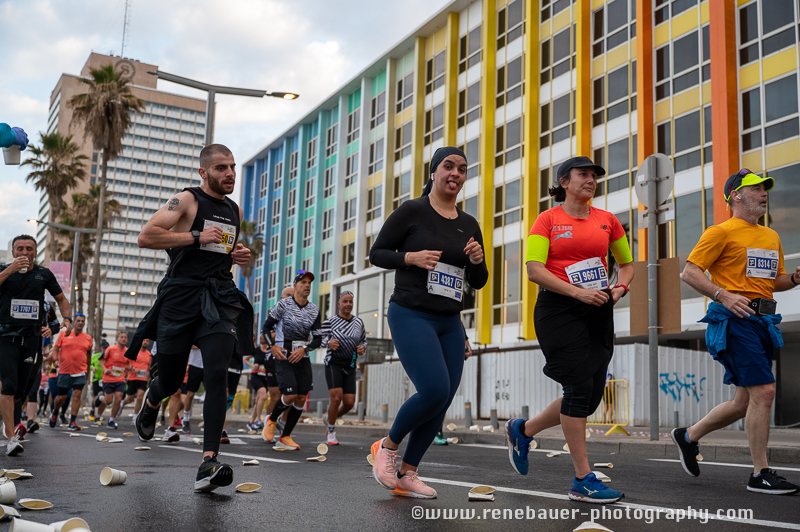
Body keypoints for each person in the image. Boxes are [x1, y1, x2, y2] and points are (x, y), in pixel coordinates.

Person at [504, 156, 634, 504]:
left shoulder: (607, 221)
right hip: (559, 310)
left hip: (598, 309)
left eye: (594, 176)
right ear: (564, 181)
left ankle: (523, 430)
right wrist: (577, 292)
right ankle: (582, 480)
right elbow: (534, 270)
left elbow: (626, 264)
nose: (591, 180)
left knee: (590, 397)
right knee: (577, 389)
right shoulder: (547, 220)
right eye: (583, 174)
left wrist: (620, 289)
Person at [124, 143, 252, 492]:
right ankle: (152, 400)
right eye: (221, 168)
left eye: (232, 166)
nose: (229, 173)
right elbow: (146, 236)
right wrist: (196, 235)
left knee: (217, 374)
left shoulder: (236, 210)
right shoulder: (186, 200)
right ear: (203, 172)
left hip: (219, 298)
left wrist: (235, 252)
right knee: (170, 380)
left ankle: (208, 461)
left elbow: (218, 249)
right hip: (180, 298)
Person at [369, 146, 488, 499]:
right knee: (434, 389)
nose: (456, 173)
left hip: (450, 321)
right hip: (411, 313)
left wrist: (478, 261)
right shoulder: (413, 211)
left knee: (443, 398)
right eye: (448, 166)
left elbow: (478, 281)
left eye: (462, 169)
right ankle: (387, 448)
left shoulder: (469, 224)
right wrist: (410, 257)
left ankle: (408, 472)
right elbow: (377, 254)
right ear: (434, 172)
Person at [672, 168, 800, 495]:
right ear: (736, 196)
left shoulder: (771, 236)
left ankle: (688, 436)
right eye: (756, 189)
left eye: (764, 188)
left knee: (744, 402)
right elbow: (690, 272)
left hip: (763, 322)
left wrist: (794, 279)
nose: (764, 193)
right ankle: (760, 473)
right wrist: (723, 295)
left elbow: (773, 281)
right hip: (733, 321)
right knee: (765, 391)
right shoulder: (721, 232)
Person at [1, 234, 70, 455]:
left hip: (32, 339)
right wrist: (10, 270)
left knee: (20, 390)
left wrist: (66, 318)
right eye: (20, 249)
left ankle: (6, 419)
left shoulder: (43, 274)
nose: (24, 253)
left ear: (35, 252)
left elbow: (61, 299)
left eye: (29, 249)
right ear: (13, 252)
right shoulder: (3, 270)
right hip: (6, 337)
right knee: (9, 386)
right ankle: (11, 438)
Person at [260, 272, 322, 450]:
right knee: (289, 395)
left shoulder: (314, 310)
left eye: (309, 282)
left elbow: (318, 339)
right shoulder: (283, 305)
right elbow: (266, 328)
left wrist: (305, 349)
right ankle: (271, 420)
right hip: (283, 355)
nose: (307, 285)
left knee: (301, 398)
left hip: (302, 356)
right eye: (303, 282)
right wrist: (272, 346)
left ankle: (285, 436)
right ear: (295, 286)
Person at [319, 291, 367, 445]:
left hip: (351, 365)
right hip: (334, 364)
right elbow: (316, 339)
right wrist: (328, 343)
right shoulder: (330, 321)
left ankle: (329, 419)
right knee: (336, 399)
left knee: (349, 403)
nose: (348, 304)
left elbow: (363, 341)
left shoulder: (358, 322)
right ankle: (331, 431)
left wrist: (362, 348)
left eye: (350, 301)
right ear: (338, 304)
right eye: (345, 301)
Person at [259, 286, 294, 440]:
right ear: (281, 298)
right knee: (275, 396)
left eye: (293, 296)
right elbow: (261, 339)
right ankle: (269, 426)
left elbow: (308, 338)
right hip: (273, 358)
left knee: (290, 395)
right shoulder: (275, 314)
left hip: (291, 358)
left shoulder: (299, 316)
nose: (291, 298)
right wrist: (280, 334)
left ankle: (283, 426)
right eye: (288, 295)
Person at [50, 314, 93, 431]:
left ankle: (72, 421)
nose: (80, 323)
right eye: (78, 321)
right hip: (64, 371)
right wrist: (55, 360)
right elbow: (55, 349)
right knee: (61, 397)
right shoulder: (64, 334)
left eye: (82, 321)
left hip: (80, 372)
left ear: (84, 324)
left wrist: (88, 374)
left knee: (77, 394)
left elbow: (89, 357)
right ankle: (55, 412)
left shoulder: (88, 338)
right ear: (73, 323)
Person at [434, 328, 472, 446]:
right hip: (432, 344)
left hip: (448, 346)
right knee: (432, 393)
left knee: (444, 395)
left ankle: (437, 431)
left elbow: (458, 323)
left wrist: (466, 345)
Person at [95, 331, 129, 429]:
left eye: (125, 337)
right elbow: (100, 360)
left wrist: (131, 368)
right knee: (108, 401)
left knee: (118, 399)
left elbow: (128, 364)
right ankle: (100, 397)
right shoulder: (110, 349)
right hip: (108, 379)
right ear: (117, 339)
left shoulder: (128, 351)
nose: (123, 339)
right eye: (121, 337)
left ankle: (111, 420)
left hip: (120, 379)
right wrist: (105, 369)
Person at [121, 338, 152, 423]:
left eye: (147, 341)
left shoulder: (149, 354)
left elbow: (149, 367)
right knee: (130, 399)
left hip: (143, 379)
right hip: (132, 378)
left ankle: (135, 416)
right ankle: (122, 403)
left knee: (140, 397)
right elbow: (126, 364)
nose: (145, 342)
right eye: (144, 340)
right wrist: (132, 369)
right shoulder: (134, 352)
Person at [180, 345, 204, 434]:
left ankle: (207, 420)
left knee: (210, 393)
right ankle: (185, 419)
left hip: (209, 363)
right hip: (195, 364)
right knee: (190, 394)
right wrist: (204, 344)